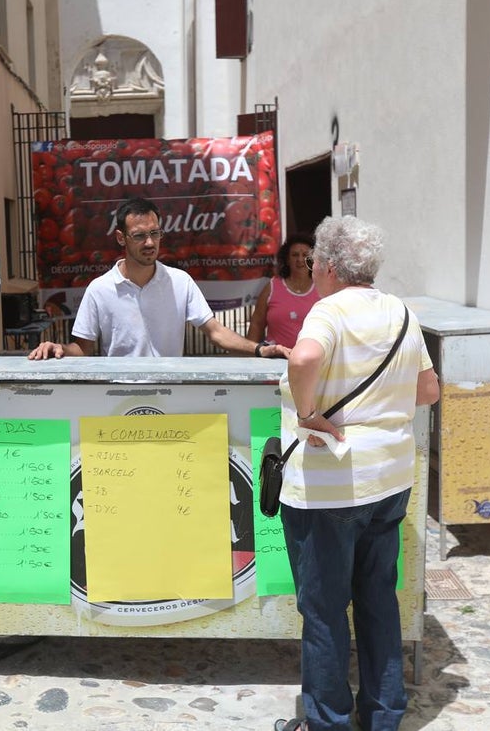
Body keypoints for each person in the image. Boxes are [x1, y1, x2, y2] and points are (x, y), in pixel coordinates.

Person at [274, 215, 440, 731]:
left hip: (329, 487)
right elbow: (429, 390)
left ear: (324, 265)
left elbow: (303, 359)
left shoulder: (328, 311)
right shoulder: (401, 312)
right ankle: (384, 715)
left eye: (312, 263)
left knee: (324, 612)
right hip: (389, 482)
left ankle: (327, 722)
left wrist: (308, 414)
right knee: (376, 600)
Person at [28, 197, 290, 360]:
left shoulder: (180, 282)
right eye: (140, 235)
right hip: (115, 400)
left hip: (171, 396)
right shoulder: (100, 289)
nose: (150, 242)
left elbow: (216, 332)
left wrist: (259, 350)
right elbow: (82, 349)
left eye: (155, 233)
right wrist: (58, 348)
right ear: (121, 238)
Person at [246, 232, 317, 349]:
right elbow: (257, 324)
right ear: (287, 260)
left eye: (305, 255)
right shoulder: (272, 287)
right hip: (275, 361)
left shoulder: (322, 287)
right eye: (294, 255)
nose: (300, 259)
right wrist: (249, 356)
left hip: (312, 362)